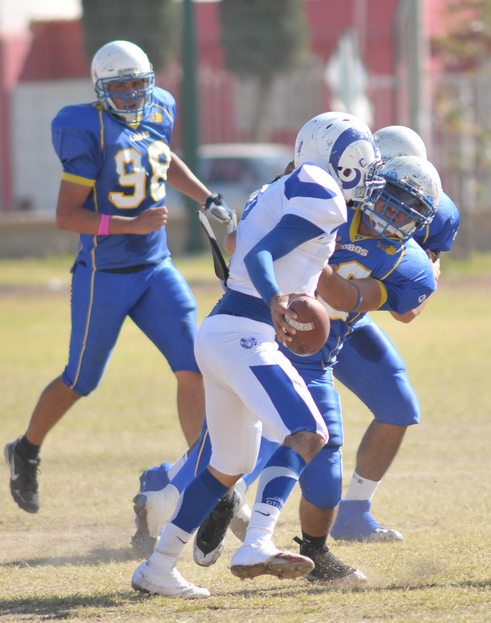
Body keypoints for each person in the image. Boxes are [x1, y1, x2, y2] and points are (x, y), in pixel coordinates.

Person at [130, 111, 383, 599]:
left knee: (229, 464)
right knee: (309, 431)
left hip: (222, 332)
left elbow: (246, 248)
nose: (367, 174)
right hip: (245, 334)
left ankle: (158, 567)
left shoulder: (279, 186)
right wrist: (275, 298)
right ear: (339, 159)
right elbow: (259, 254)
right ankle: (258, 542)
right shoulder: (324, 192)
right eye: (362, 161)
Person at [4, 40, 233, 515]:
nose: (130, 93)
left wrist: (206, 197)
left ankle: (203, 478)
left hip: (156, 268)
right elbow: (67, 215)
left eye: (137, 84)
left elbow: (163, 158)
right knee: (80, 380)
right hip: (104, 275)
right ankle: (25, 449)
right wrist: (131, 224)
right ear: (100, 89)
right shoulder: (86, 128)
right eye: (120, 86)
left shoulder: (159, 108)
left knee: (192, 366)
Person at [330, 126, 460, 542]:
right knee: (280, 426)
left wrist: (367, 290)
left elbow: (408, 309)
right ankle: (190, 490)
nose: (395, 196)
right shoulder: (332, 189)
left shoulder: (434, 211)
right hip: (290, 319)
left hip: (348, 320)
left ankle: (353, 512)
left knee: (399, 407)